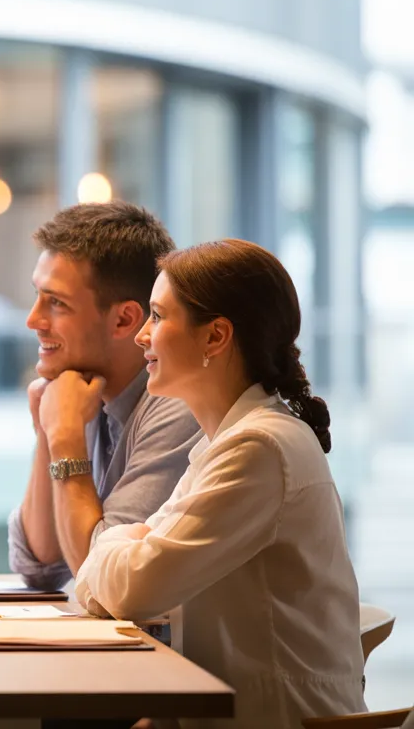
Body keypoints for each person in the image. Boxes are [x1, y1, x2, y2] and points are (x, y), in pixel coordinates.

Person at [75, 239, 366, 728]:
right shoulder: (230, 442)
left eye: (159, 317)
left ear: (215, 337)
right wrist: (124, 549)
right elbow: (114, 580)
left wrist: (116, 547)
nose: (142, 336)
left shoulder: (258, 449)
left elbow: (135, 589)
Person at [8, 203, 201, 598]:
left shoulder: (180, 408)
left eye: (56, 303)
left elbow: (104, 582)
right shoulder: (83, 393)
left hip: (197, 661)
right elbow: (39, 567)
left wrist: (64, 438)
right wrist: (50, 433)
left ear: (124, 320)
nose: (33, 319)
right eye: (37, 297)